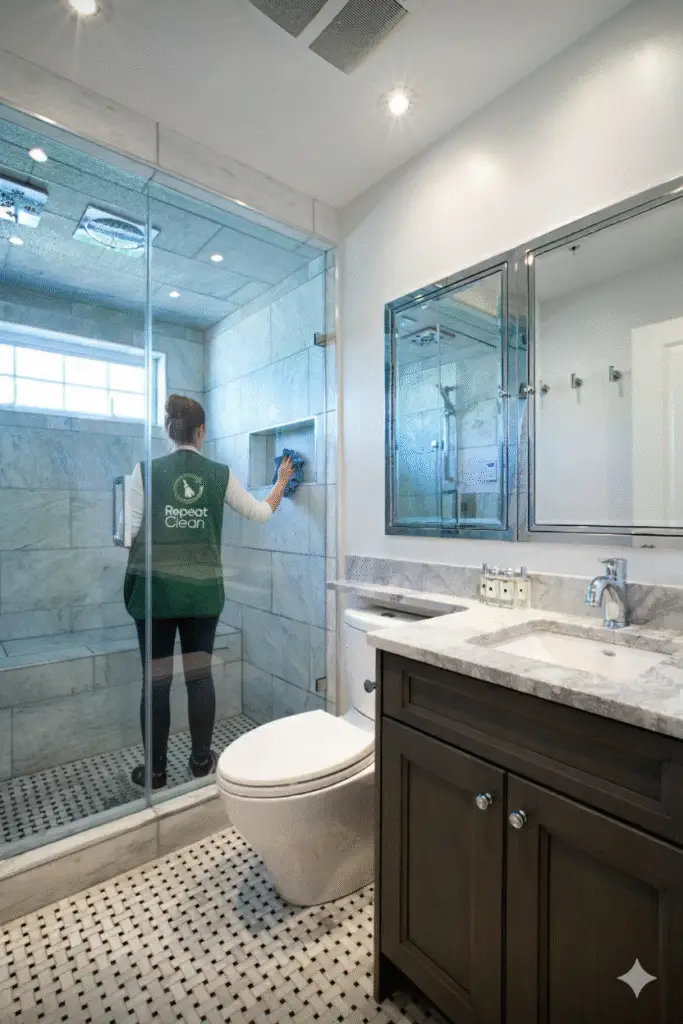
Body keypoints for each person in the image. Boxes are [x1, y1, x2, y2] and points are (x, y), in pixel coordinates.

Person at [123, 394, 295, 790]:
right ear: (201, 431)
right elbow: (260, 512)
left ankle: (156, 772)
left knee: (157, 681)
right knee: (199, 679)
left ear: (170, 430)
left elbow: (127, 535)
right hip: (201, 599)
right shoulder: (220, 474)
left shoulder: (144, 473)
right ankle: (202, 762)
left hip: (156, 598)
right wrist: (282, 481)